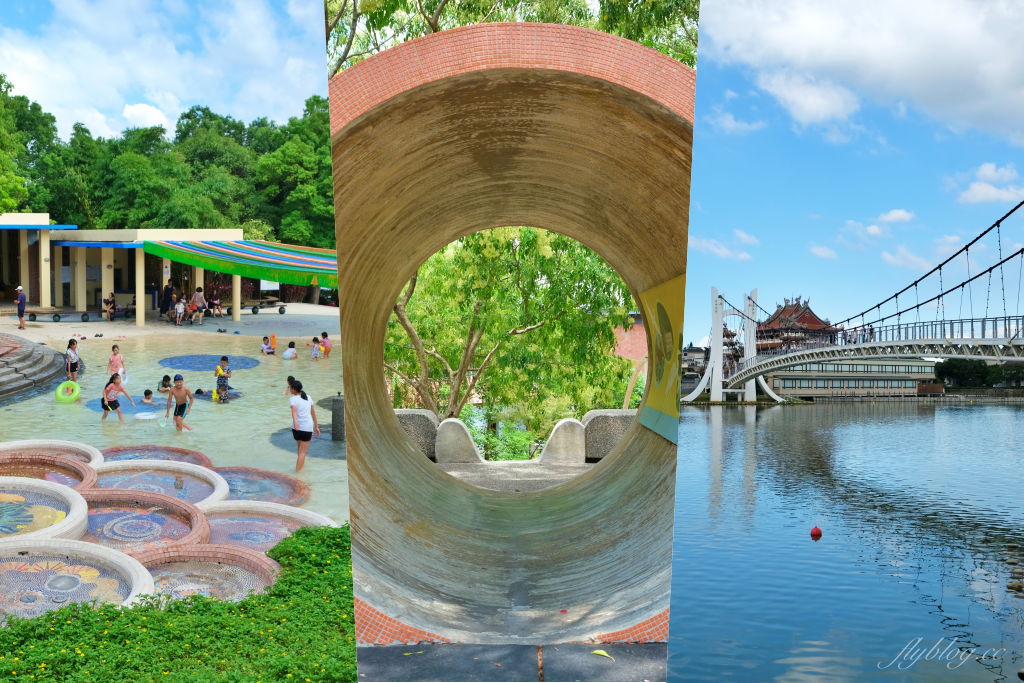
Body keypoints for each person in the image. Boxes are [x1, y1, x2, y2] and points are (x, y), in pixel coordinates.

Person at [288, 379, 319, 472]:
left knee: (300, 449)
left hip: (296, 429)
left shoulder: (292, 399)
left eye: (290, 388)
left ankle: (300, 467)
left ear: (293, 389)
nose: (289, 389)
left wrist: (295, 422)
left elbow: (294, 410)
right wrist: (316, 426)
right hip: (307, 428)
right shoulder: (308, 397)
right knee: (302, 452)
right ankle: (297, 473)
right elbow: (313, 413)